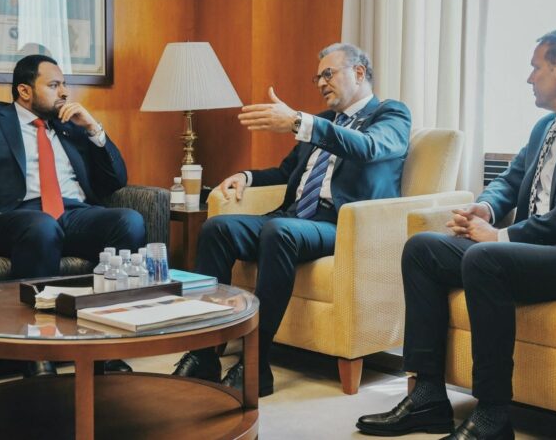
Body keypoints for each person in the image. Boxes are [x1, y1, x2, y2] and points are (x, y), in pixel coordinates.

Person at [356, 26, 556, 439]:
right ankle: (427, 398)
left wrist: (500, 237)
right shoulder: (546, 126)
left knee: (486, 257)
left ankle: (493, 416)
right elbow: (511, 181)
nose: (529, 77)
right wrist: (486, 208)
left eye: (536, 67)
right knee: (422, 249)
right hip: (536, 251)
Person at [171, 43, 411, 397]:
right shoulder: (324, 121)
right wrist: (246, 176)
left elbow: (369, 147)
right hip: (293, 217)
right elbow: (286, 173)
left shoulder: (390, 114)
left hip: (342, 225)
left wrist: (301, 121)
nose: (321, 83)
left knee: (279, 232)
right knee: (217, 228)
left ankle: (256, 363)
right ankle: (204, 353)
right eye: (318, 78)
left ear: (359, 72)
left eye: (328, 74)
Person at [0, 54, 145, 375]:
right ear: (24, 91)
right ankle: (37, 354)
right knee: (42, 227)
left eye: (65, 84)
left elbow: (115, 181)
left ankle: (106, 348)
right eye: (54, 85)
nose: (64, 92)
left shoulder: (71, 126)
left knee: (129, 222)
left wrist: (94, 129)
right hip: (11, 217)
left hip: (73, 214)